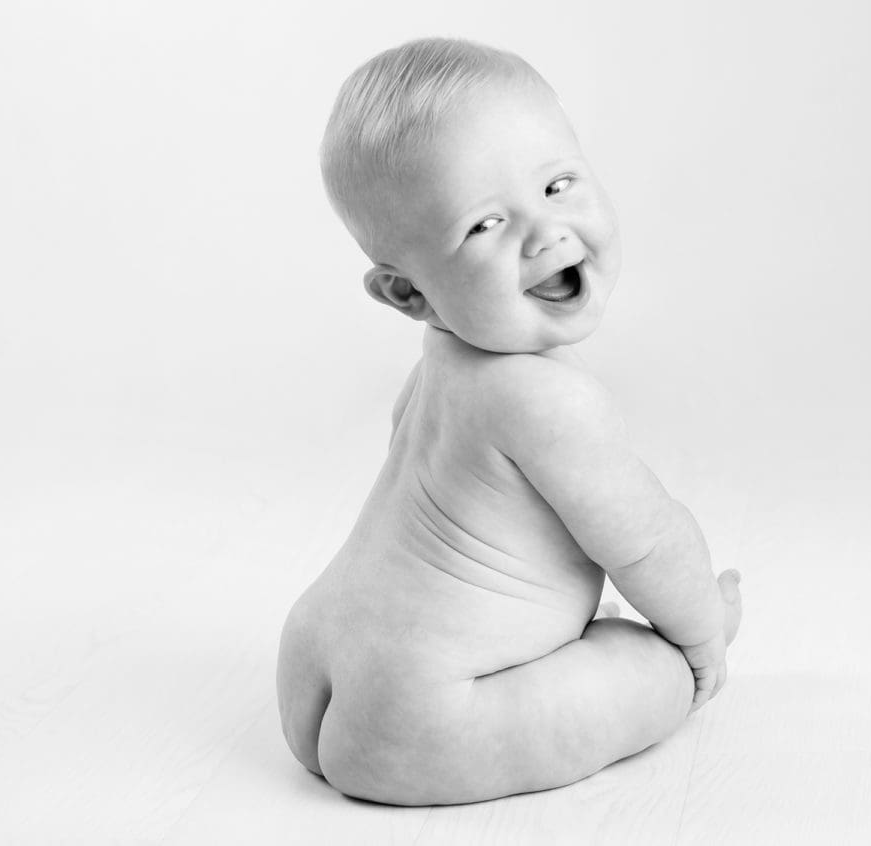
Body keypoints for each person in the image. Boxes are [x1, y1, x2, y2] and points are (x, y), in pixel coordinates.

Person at [277, 37, 742, 806]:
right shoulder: (549, 400)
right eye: (485, 226)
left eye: (559, 185)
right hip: (425, 718)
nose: (546, 233)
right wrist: (698, 636)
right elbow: (650, 538)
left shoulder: (437, 371)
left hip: (310, 664)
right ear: (409, 295)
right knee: (653, 672)